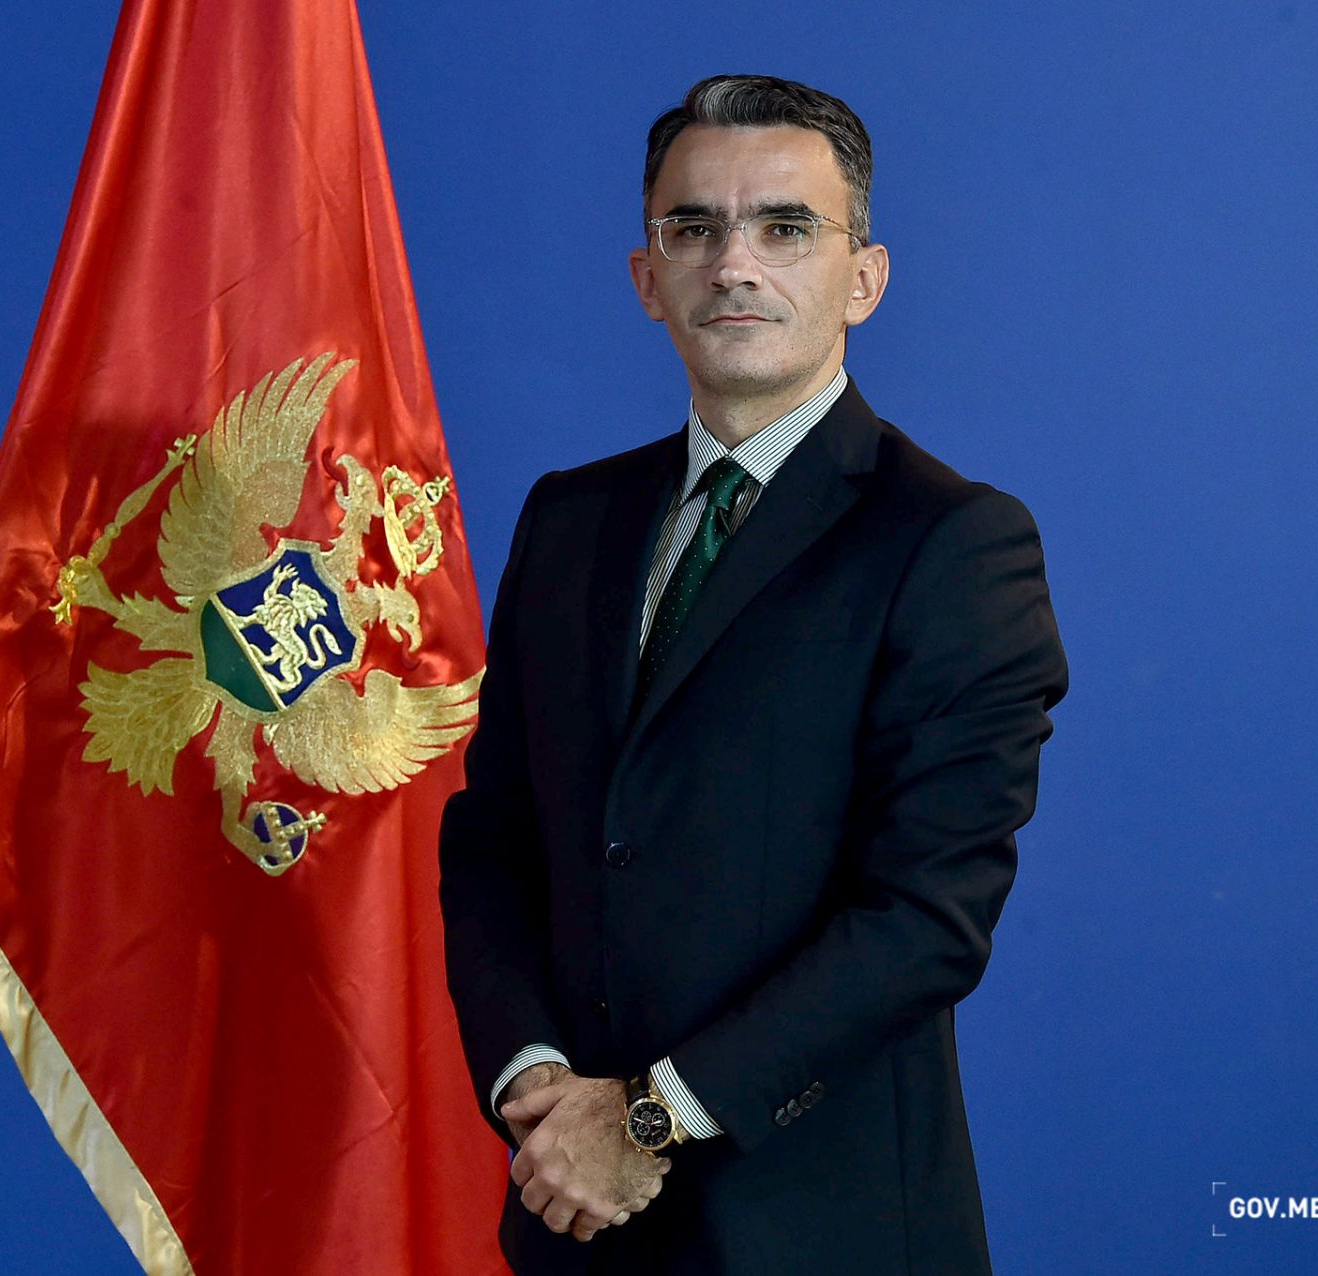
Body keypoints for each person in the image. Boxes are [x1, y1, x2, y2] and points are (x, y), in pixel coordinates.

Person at [436, 73, 1068, 1275]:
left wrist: (647, 1117)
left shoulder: (952, 543)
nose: (734, 263)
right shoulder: (567, 521)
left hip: (821, 1230)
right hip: (572, 1218)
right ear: (648, 276)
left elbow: (925, 917)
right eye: (695, 227)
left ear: (863, 278)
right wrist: (531, 1078)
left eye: (785, 227)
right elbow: (492, 836)